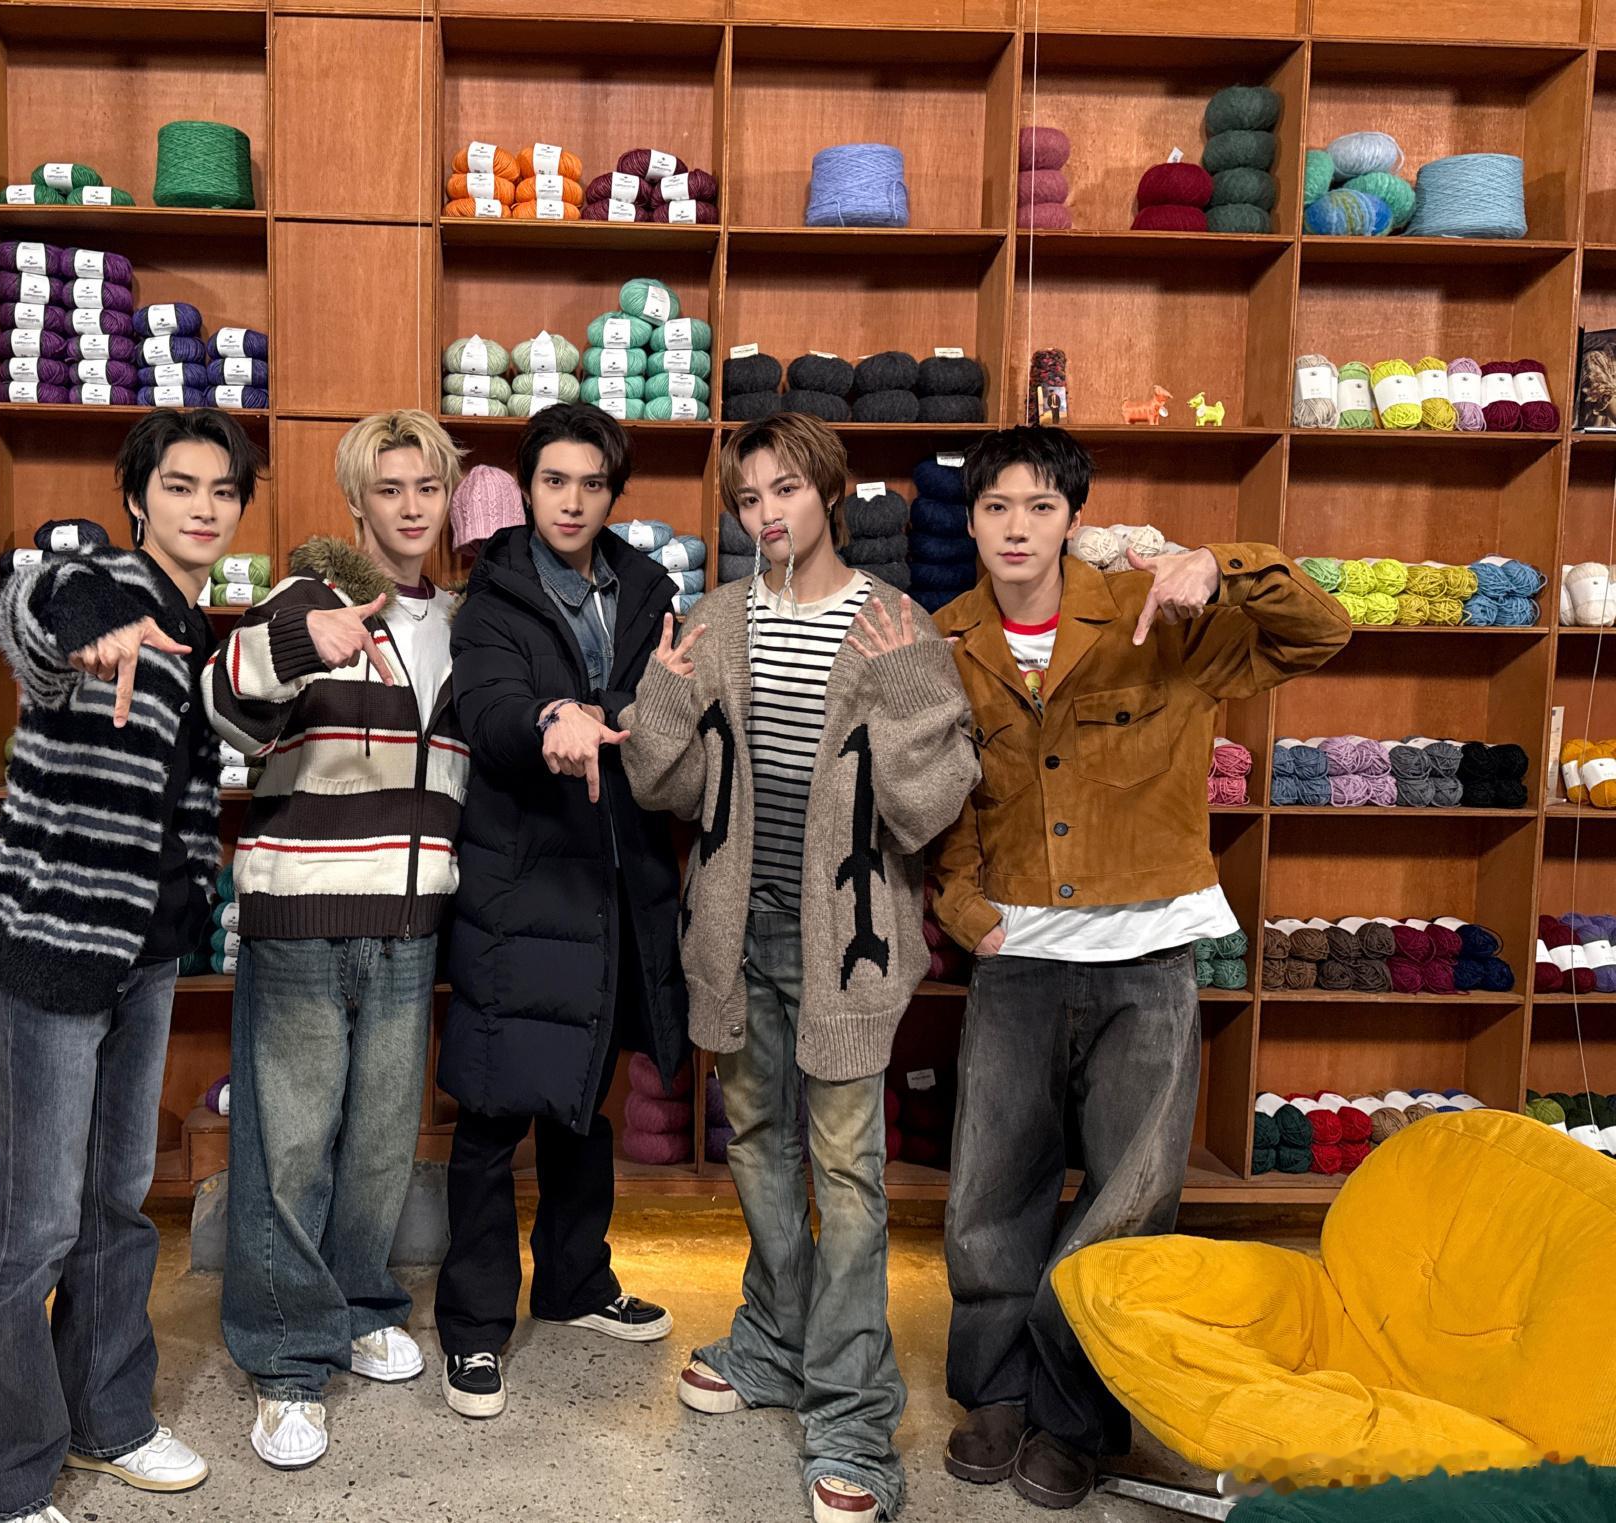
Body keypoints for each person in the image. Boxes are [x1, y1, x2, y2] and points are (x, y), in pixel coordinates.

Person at [930, 426, 1350, 1510]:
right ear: (969, 520)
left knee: (1127, 1200)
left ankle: (1077, 1412)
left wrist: (1226, 563)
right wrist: (966, 911)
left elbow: (1321, 632)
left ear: (1074, 518)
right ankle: (996, 1393)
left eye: (1039, 506)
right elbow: (941, 796)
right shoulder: (946, 639)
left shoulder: (1152, 613)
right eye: (995, 506)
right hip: (1015, 958)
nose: (1015, 527)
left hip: (1147, 957)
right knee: (991, 1189)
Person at [623, 412, 977, 1523]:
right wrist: (663, 693)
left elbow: (929, 804)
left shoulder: (893, 624)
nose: (767, 512)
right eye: (748, 497)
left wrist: (911, 688)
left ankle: (854, 1413)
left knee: (848, 1175)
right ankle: (774, 1340)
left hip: (847, 946)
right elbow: (664, 785)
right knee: (760, 1149)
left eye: (785, 489)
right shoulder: (719, 620)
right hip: (736, 933)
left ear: (828, 491)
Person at [0, 408, 263, 1523]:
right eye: (179, 485)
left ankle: (106, 1417)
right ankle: (1, 1479)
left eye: (222, 491)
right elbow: (34, 600)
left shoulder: (192, 623)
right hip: (48, 946)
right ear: (138, 498)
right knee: (31, 1221)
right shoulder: (107, 584)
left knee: (116, 1203)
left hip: (142, 955)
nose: (202, 508)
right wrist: (91, 623)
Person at [206, 410, 469, 1470]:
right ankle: (284, 1362)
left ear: (448, 498)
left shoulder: (461, 623)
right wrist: (293, 645)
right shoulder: (303, 599)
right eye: (388, 488)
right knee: (289, 1144)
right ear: (356, 501)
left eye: (427, 487)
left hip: (410, 921)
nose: (409, 507)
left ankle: (358, 1302)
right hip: (305, 916)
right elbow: (223, 705)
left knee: (378, 1143)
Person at [432, 402, 689, 1420]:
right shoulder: (494, 595)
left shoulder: (647, 589)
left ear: (613, 492)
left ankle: (577, 1280)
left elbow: (670, 712)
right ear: (527, 487)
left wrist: (635, 707)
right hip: (521, 883)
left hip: (620, 884)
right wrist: (551, 714)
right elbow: (487, 708)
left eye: (590, 483)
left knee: (587, 1094)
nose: (571, 501)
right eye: (553, 481)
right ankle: (473, 1325)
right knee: (495, 1109)